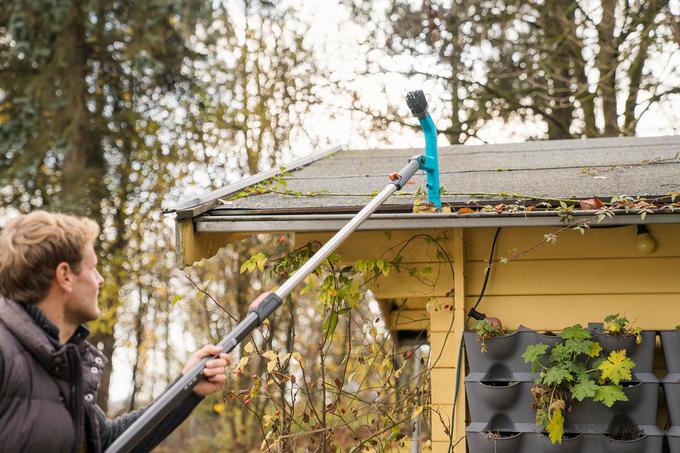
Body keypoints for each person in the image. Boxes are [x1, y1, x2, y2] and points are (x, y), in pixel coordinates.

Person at [0, 211, 230, 452]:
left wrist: (187, 387)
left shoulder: (61, 361)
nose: (99, 280)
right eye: (93, 269)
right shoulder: (5, 352)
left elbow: (109, 442)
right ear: (65, 276)